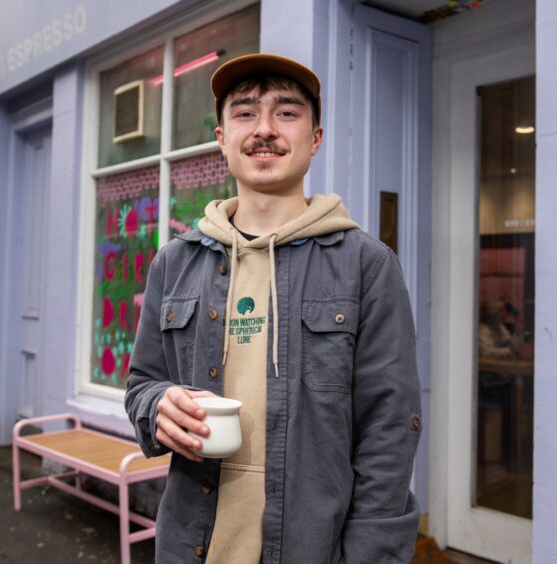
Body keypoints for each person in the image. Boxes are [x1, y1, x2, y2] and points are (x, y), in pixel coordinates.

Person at [125, 53, 421, 563]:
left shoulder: (367, 265)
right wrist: (157, 406)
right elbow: (141, 385)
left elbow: (389, 433)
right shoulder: (175, 262)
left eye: (286, 112)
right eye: (244, 113)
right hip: (192, 545)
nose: (264, 129)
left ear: (316, 138)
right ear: (221, 138)